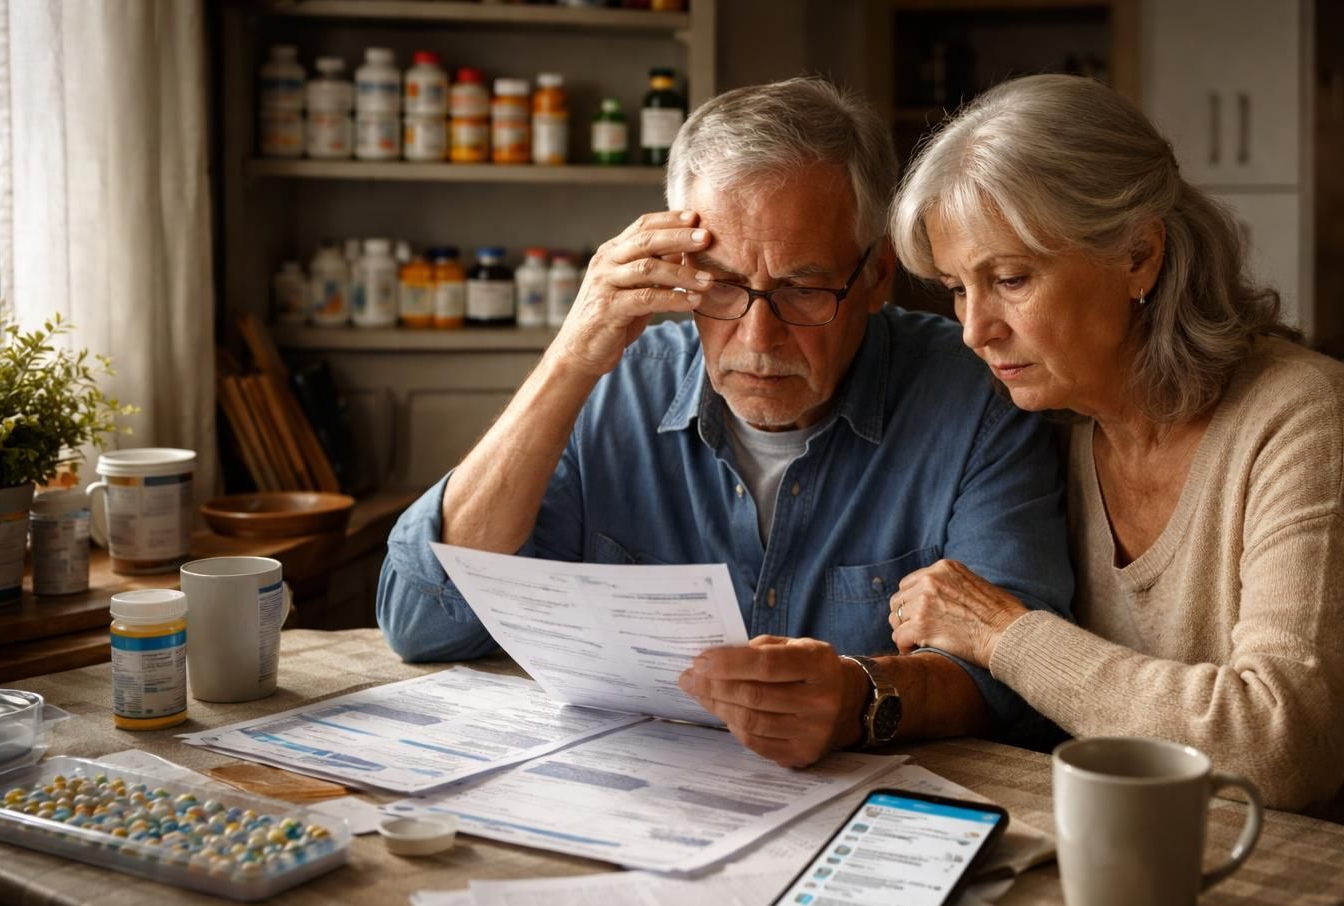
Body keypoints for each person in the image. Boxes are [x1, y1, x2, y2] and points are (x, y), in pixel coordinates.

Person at [884, 73, 1344, 906]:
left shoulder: (1308, 418)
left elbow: (1278, 746)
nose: (975, 329)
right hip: (1194, 891)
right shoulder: (1055, 427)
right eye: (955, 287)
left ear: (1138, 253)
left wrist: (1005, 635)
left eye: (1010, 278)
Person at [376, 77, 1074, 769]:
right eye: (721, 285)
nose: (758, 338)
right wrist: (567, 361)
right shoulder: (612, 385)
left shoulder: (976, 399)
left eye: (802, 288)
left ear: (875, 277)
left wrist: (864, 698)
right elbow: (421, 622)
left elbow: (1020, 681)